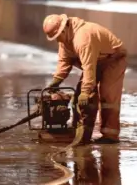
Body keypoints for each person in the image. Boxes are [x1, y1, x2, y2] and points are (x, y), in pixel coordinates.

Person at [42, 14, 127, 144]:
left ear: (64, 29)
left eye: (57, 36)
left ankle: (110, 135)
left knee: (107, 95)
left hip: (113, 58)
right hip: (96, 59)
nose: (57, 40)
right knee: (80, 98)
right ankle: (80, 133)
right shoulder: (65, 40)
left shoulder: (83, 38)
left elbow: (88, 67)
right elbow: (64, 60)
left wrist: (86, 91)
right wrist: (57, 80)